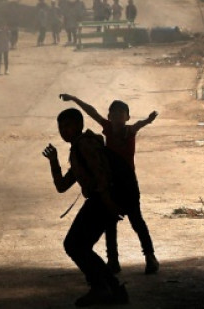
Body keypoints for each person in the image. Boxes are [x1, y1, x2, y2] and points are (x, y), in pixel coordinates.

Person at [60, 94, 159, 275]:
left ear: (127, 117)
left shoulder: (130, 131)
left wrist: (148, 120)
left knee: (136, 220)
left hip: (128, 182)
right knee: (109, 223)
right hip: (110, 182)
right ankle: (113, 260)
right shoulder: (106, 128)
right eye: (114, 113)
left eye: (121, 113)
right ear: (109, 116)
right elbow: (91, 111)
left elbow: (141, 124)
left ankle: (150, 256)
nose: (117, 117)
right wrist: (75, 99)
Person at [42, 108, 131, 307]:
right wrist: (54, 161)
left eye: (68, 126)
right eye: (61, 127)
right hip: (100, 200)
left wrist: (108, 202)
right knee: (79, 246)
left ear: (79, 125)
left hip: (101, 200)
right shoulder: (77, 149)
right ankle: (112, 289)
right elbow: (62, 186)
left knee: (74, 245)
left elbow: (101, 174)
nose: (64, 131)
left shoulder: (85, 145)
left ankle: (102, 288)